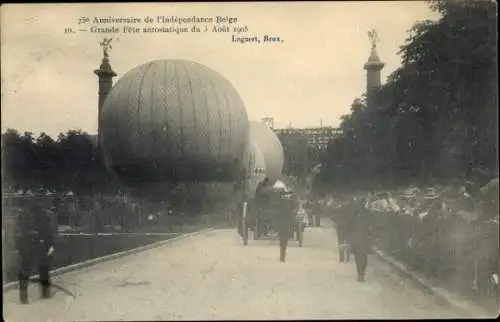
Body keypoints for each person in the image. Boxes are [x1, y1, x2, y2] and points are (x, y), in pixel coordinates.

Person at [15, 196, 56, 304]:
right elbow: (48, 231)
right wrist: (50, 244)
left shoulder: (22, 215)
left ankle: (23, 297)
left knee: (25, 269)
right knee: (43, 268)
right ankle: (45, 293)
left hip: (26, 244)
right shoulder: (44, 214)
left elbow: (18, 232)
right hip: (40, 243)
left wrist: (18, 246)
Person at [347, 196, 374, 282]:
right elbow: (350, 224)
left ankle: (361, 273)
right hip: (357, 237)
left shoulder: (368, 213)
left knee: (362, 257)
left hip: (363, 236)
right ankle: (360, 273)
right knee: (360, 257)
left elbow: (372, 225)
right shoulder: (354, 213)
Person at [277, 190, 296, 262]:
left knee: (282, 241)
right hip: (286, 224)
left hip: (282, 223)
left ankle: (282, 256)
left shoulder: (280, 202)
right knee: (284, 241)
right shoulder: (291, 202)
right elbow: (293, 212)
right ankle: (282, 256)